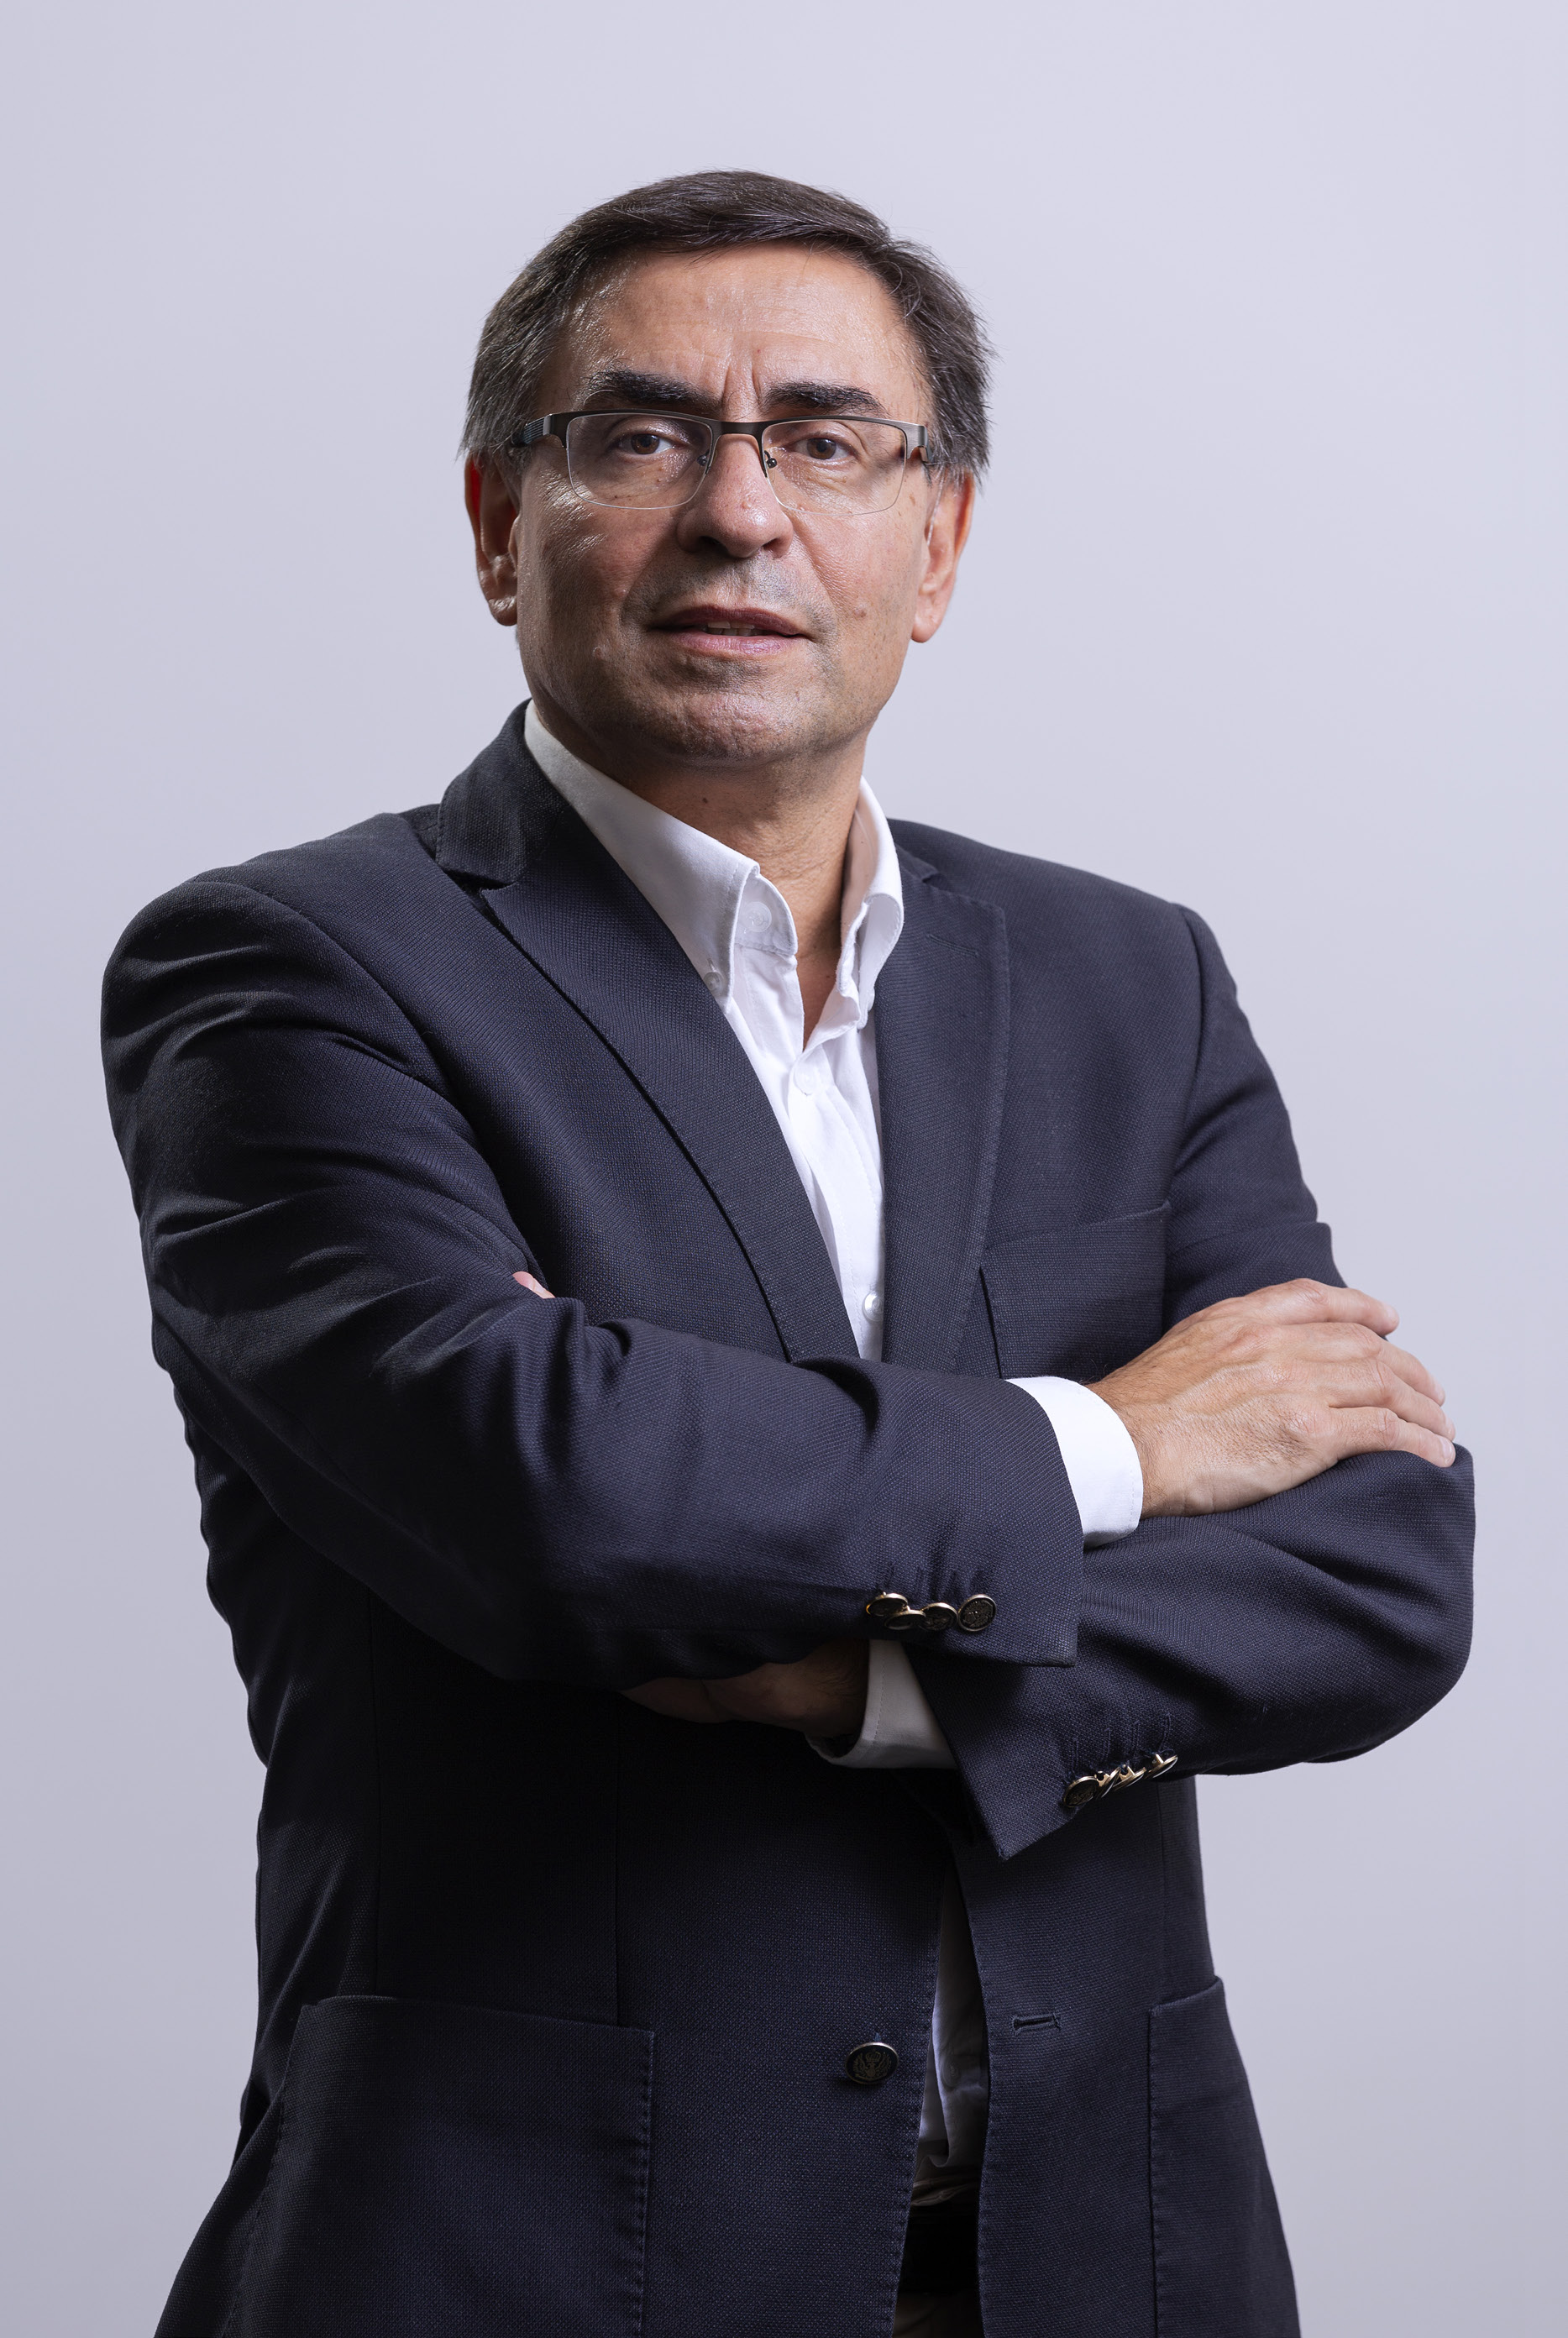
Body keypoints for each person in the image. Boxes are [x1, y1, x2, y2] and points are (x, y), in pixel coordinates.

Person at [102, 171, 1472, 2338]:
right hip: (536, 2264)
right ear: (498, 524)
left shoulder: (1132, 980)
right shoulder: (291, 972)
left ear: (939, 546)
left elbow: (1373, 1570)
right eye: (643, 435)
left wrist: (874, 1684)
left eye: (827, 441)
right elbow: (549, 1485)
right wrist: (1119, 1449)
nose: (741, 512)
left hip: (1106, 2261)